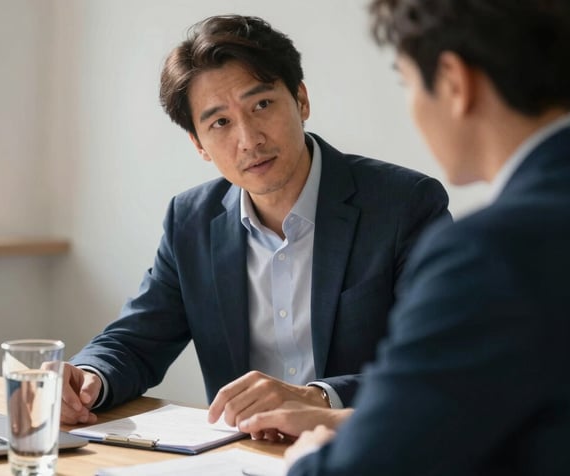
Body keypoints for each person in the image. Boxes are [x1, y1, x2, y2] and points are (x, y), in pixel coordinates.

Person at [60, 14, 450, 434]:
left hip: (367, 449)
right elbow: (137, 341)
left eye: (261, 105)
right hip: (242, 456)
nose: (249, 139)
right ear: (199, 144)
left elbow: (441, 360)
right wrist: (87, 379)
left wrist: (317, 398)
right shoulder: (190, 221)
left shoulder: (403, 205)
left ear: (301, 100)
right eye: (220, 123)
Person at [239, 1, 570, 474]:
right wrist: (355, 422)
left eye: (407, 81)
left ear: (455, 83)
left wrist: (315, 459)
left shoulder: (491, 251)